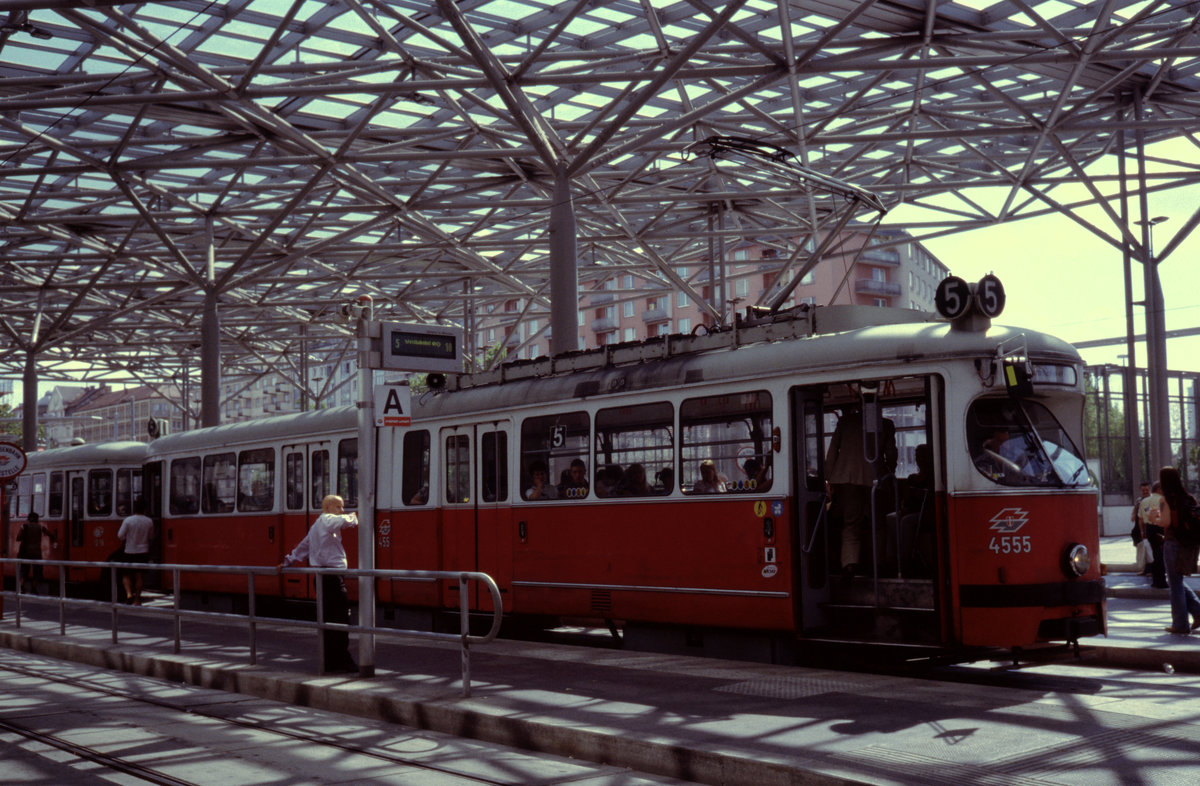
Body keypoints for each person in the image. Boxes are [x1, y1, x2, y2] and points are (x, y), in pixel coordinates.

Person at [280, 494, 359, 673]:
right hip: (332, 578)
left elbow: (303, 547)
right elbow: (345, 521)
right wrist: (354, 517)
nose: (342, 510)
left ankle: (331, 661)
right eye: (338, 507)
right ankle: (342, 661)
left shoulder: (316, 526)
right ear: (328, 508)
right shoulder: (328, 519)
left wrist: (286, 562)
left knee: (328, 621)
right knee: (341, 620)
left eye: (342, 507)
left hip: (322, 578)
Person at [825, 405, 896, 581]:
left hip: (846, 477)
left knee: (850, 523)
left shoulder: (845, 422)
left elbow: (833, 451)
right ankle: (877, 564)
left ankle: (849, 565)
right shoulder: (886, 424)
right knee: (877, 523)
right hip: (875, 478)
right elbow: (892, 454)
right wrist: (889, 471)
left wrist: (830, 478)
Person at [1155, 466, 1200, 635]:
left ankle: (1180, 624)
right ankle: (1197, 611)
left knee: (1174, 584)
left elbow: (1166, 522)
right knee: (1177, 580)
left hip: (1173, 543)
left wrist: (1154, 519)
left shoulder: (1166, 499)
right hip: (1189, 544)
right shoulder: (1189, 498)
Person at [117, 500, 154, 605]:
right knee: (139, 576)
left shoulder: (128, 520)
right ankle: (137, 600)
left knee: (126, 574)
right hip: (143, 551)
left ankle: (129, 594)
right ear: (145, 509)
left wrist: (127, 539)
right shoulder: (149, 521)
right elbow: (151, 536)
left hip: (129, 550)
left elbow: (120, 535)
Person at [16, 512, 56, 595]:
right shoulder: (40, 527)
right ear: (37, 519)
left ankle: (22, 587)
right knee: (37, 572)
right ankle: (33, 588)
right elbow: (50, 535)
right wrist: (54, 539)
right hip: (36, 553)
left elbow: (18, 538)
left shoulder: (24, 526)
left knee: (24, 571)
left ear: (28, 519)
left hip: (25, 553)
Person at [1139, 481, 1167, 589]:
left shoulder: (1144, 501)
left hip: (1149, 529)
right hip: (1160, 528)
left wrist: (1143, 532)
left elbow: (1140, 519)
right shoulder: (1162, 500)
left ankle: (1156, 580)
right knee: (1161, 555)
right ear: (1159, 489)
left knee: (1155, 554)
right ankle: (1161, 581)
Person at [1131, 481, 1151, 573]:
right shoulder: (1139, 500)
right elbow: (1135, 509)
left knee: (1148, 549)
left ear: (1150, 490)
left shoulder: (1151, 500)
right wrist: (1133, 515)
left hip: (1147, 527)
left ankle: (1149, 569)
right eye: (1143, 490)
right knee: (1141, 548)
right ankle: (1143, 568)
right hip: (1138, 528)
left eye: (1147, 490)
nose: (1145, 492)